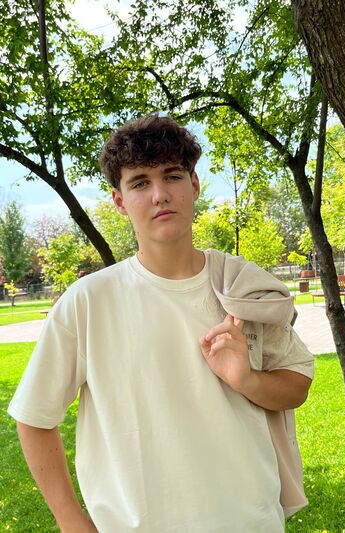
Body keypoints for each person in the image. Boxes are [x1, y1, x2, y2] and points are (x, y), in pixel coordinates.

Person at [8, 114, 313, 532]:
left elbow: (297, 386)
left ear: (194, 185)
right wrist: (71, 522)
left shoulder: (241, 288)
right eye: (139, 183)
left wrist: (247, 380)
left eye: (172, 176)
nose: (159, 195)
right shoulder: (88, 301)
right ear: (119, 201)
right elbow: (34, 418)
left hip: (250, 521)